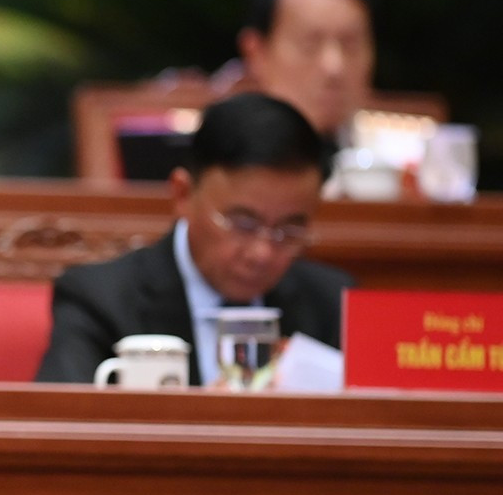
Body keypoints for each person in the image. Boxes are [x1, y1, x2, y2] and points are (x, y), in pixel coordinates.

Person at [35, 92, 352, 386]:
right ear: (183, 194)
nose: (262, 253)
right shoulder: (101, 301)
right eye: (243, 224)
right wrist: (208, 418)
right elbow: (53, 428)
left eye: (289, 230)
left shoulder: (333, 304)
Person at [236, 0, 375, 143]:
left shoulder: (407, 160)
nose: (334, 66)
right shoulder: (219, 165)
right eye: (309, 45)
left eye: (350, 44)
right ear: (256, 52)